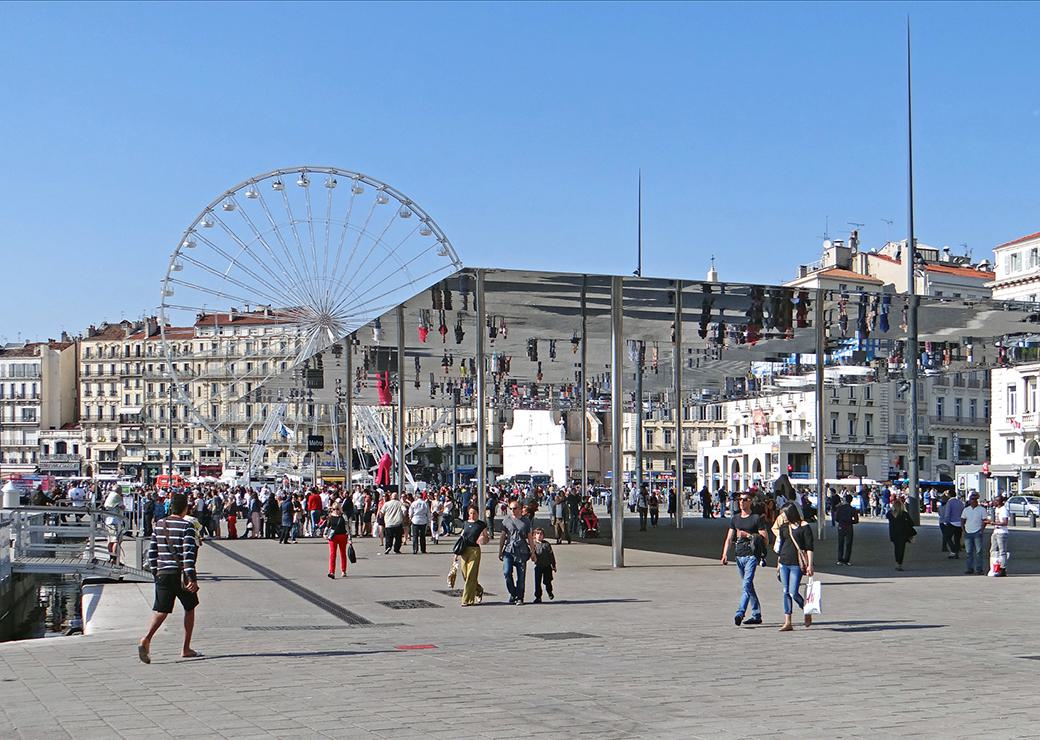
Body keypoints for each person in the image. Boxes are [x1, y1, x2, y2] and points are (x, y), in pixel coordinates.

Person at [138, 493, 200, 663]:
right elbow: (188, 555)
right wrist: (191, 578)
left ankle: (147, 638)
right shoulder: (187, 526)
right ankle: (186, 648)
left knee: (161, 611)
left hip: (162, 574)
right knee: (190, 607)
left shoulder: (159, 524)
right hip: (180, 575)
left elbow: (151, 553)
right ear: (185, 509)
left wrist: (156, 572)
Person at [720, 492, 768, 627]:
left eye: (745, 499)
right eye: (739, 499)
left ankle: (740, 613)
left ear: (750, 502)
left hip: (752, 555)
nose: (741, 502)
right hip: (738, 555)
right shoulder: (735, 518)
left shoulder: (756, 518)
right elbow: (729, 538)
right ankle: (756, 614)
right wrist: (724, 554)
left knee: (746, 585)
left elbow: (765, 539)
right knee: (749, 586)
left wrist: (748, 535)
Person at [776, 503, 814, 632]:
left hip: (796, 564)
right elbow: (781, 545)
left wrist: (810, 564)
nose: (782, 516)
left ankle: (806, 610)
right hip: (784, 562)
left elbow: (809, 547)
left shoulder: (804, 527)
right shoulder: (783, 527)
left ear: (790, 513)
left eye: (784, 513)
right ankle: (788, 622)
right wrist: (778, 562)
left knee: (793, 592)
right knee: (785, 591)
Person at [499, 498, 536, 605]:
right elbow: (502, 536)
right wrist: (500, 551)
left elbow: (529, 537)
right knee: (506, 572)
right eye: (510, 508)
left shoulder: (526, 521)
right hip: (509, 550)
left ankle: (519, 597)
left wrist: (533, 552)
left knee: (521, 575)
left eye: (515, 508)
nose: (512, 510)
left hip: (522, 550)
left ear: (520, 509)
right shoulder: (506, 520)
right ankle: (513, 592)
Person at [455, 506, 489, 606]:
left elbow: (486, 537)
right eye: (470, 513)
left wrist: (483, 539)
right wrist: (456, 554)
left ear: (478, 514)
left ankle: (467, 600)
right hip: (464, 550)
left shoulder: (481, 524)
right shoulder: (465, 523)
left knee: (471, 575)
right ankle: (478, 590)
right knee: (466, 575)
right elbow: (461, 537)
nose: (472, 515)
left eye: (474, 513)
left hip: (475, 550)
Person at [886, 497, 917, 571]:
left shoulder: (890, 514)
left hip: (893, 533)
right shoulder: (904, 514)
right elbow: (911, 523)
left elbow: (887, 515)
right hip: (903, 534)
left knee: (896, 548)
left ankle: (897, 561)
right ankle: (899, 563)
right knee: (901, 549)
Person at [961, 492, 986, 575]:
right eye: (972, 499)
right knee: (969, 552)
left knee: (979, 552)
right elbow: (962, 520)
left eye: (975, 499)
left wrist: (981, 530)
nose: (974, 501)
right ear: (969, 500)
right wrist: (964, 530)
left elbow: (984, 521)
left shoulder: (982, 509)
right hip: (968, 532)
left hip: (977, 532)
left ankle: (979, 569)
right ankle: (969, 568)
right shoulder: (966, 510)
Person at [325, 503, 350, 579]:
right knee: (332, 554)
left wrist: (350, 538)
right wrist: (325, 534)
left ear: (340, 509)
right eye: (334, 509)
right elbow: (328, 526)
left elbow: (347, 527)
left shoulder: (344, 516)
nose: (336, 511)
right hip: (333, 537)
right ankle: (332, 572)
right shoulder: (330, 516)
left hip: (343, 536)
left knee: (343, 553)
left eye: (337, 509)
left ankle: (343, 570)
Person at [532, 528, 557, 603]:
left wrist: (554, 565)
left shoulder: (546, 544)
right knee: (537, 582)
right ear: (534, 535)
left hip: (547, 566)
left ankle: (549, 591)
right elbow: (531, 554)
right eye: (538, 534)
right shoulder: (533, 544)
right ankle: (538, 596)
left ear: (543, 536)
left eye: (541, 534)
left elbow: (551, 555)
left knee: (547, 581)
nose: (539, 535)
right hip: (538, 566)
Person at [834, 494, 859, 566]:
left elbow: (836, 518)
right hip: (849, 527)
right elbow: (856, 520)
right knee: (848, 544)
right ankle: (846, 560)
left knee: (840, 543)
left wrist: (841, 521)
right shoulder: (852, 509)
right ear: (851, 501)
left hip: (841, 526)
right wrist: (851, 522)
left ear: (845, 500)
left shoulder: (840, 508)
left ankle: (839, 559)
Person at [988, 494, 1009, 576]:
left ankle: (1003, 569)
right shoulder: (997, 509)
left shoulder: (1003, 510)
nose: (994, 502)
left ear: (1000, 502)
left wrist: (993, 523)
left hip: (1002, 533)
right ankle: (994, 567)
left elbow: (1005, 522)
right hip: (996, 531)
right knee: (993, 550)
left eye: (996, 501)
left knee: (1002, 551)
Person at [943, 491, 965, 558]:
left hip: (952, 522)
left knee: (947, 537)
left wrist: (946, 521)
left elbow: (947, 513)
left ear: (949, 495)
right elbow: (963, 512)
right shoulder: (960, 502)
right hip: (959, 523)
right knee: (957, 539)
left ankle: (953, 550)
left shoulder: (949, 502)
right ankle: (956, 553)